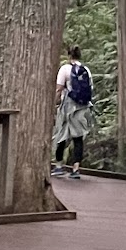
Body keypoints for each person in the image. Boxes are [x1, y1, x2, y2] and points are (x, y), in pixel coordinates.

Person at [51, 46, 95, 178]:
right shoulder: (86, 70)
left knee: (61, 135)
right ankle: (76, 169)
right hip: (81, 107)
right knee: (78, 138)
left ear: (69, 55)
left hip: (67, 106)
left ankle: (59, 165)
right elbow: (90, 88)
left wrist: (55, 103)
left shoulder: (64, 69)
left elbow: (59, 88)